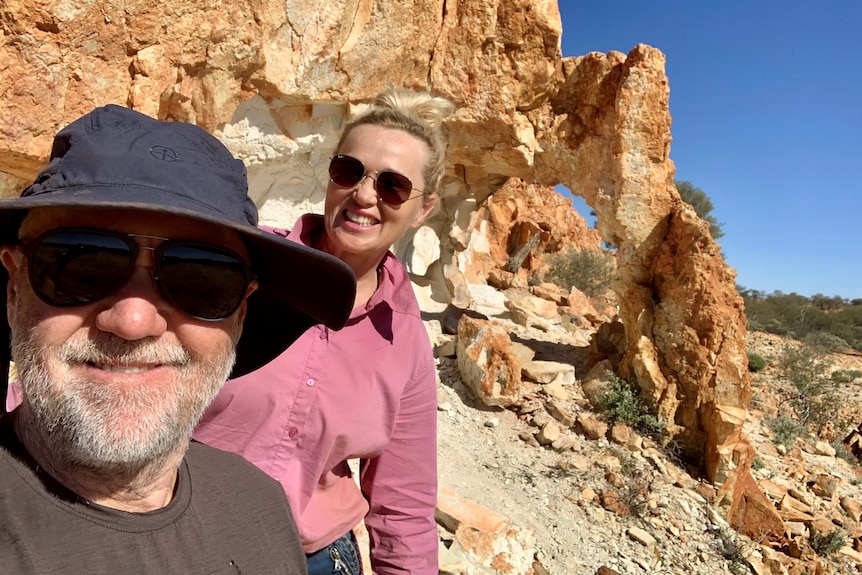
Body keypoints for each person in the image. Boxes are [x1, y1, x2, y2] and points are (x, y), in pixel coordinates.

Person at [0, 104, 356, 574]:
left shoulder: (258, 504)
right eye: (80, 264)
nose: (132, 321)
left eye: (200, 278)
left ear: (240, 314)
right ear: (14, 287)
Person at [194, 87, 454, 574]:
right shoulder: (248, 267)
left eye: (393, 185)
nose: (364, 195)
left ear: (423, 209)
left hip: (310, 556)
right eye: (349, 172)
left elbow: (403, 505)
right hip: (184, 530)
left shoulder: (405, 341)